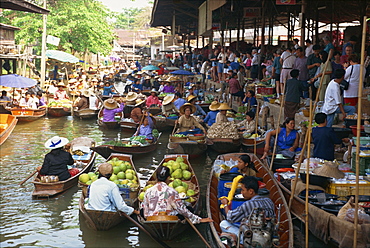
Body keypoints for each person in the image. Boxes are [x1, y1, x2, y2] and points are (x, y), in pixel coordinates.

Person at [142, 165, 213, 224]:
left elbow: (145, 210)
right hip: (170, 219)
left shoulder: (148, 191)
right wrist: (198, 219)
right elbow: (181, 209)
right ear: (168, 178)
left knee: (142, 210)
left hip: (152, 219)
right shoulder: (172, 191)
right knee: (188, 208)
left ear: (156, 178)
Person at [220, 176, 275, 242]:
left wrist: (225, 204)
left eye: (243, 190)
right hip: (269, 235)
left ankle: (241, 242)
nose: (241, 193)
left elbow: (230, 217)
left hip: (253, 238)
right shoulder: (268, 200)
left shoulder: (248, 204)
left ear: (251, 191)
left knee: (223, 223)